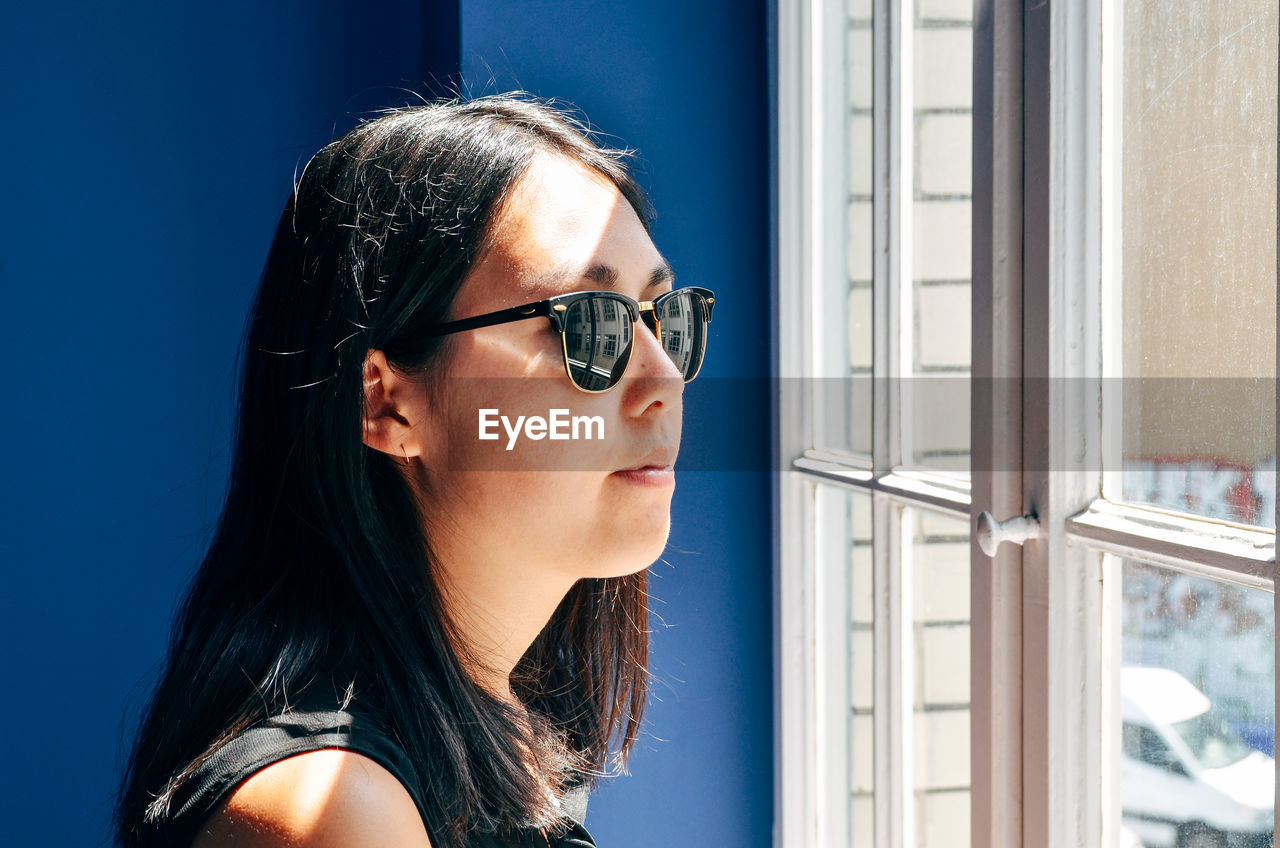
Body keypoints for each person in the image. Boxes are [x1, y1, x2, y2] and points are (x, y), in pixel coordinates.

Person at [115, 93, 715, 848]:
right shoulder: (339, 811)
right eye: (589, 324)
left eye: (667, 319)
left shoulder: (516, 720)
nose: (663, 378)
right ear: (388, 402)